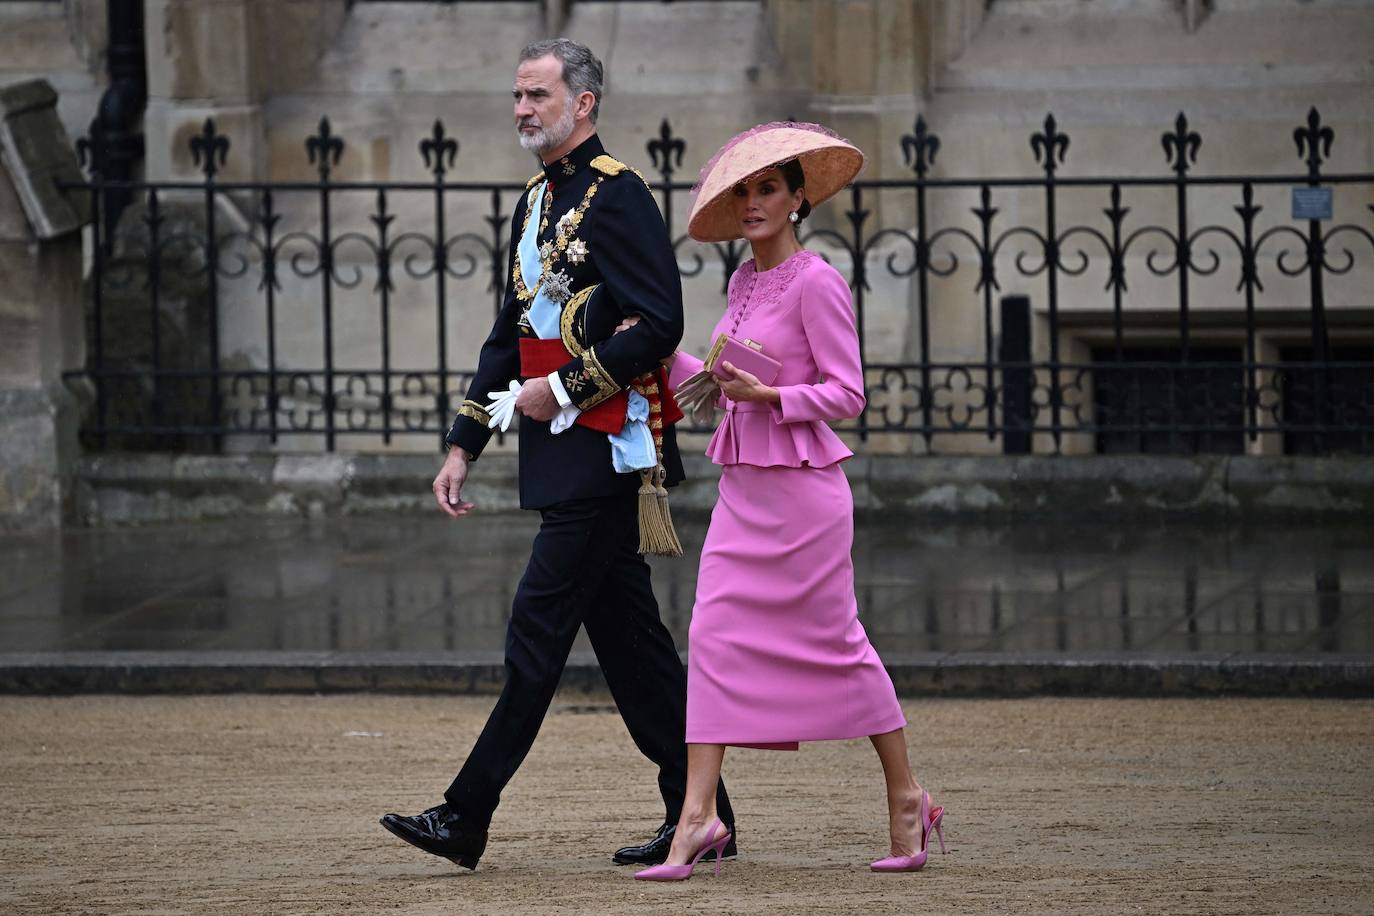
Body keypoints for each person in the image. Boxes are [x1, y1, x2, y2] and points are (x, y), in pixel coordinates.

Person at [379, 38, 735, 871]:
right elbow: (508, 337)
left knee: (535, 634)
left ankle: (466, 814)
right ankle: (705, 815)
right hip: (559, 449)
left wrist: (568, 388)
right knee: (636, 654)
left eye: (537, 95)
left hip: (606, 450)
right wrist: (463, 442)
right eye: (516, 96)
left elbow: (660, 322)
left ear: (585, 103)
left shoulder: (620, 197)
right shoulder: (534, 201)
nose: (521, 110)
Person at [626, 122, 946, 881]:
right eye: (743, 190)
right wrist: (651, 344)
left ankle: (906, 795)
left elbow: (848, 394)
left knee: (837, 644)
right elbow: (713, 385)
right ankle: (699, 817)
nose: (754, 202)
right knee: (711, 635)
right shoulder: (741, 282)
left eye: (768, 187)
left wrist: (769, 393)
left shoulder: (818, 280)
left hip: (805, 498)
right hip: (744, 492)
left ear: (800, 197)